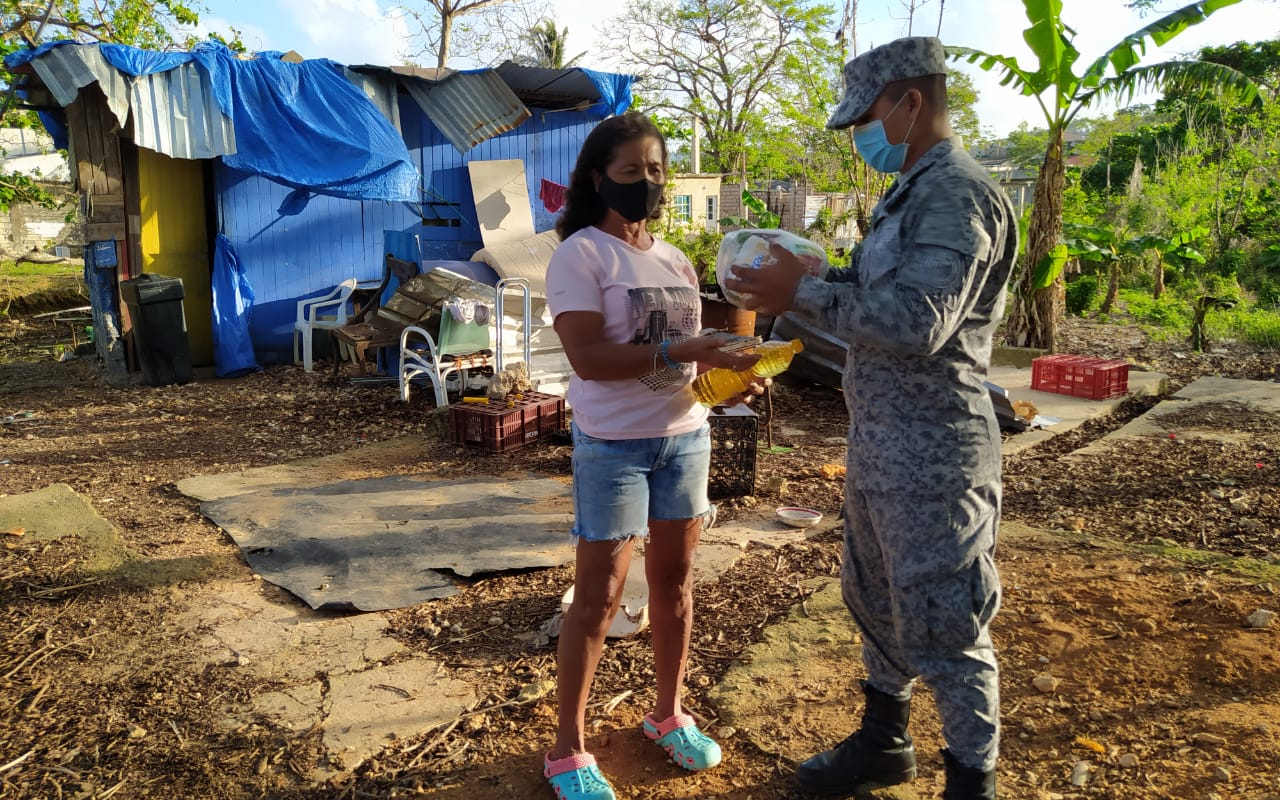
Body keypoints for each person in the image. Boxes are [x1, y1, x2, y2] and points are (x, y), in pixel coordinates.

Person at [724, 36, 1017, 800]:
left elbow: (920, 321)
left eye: (866, 118)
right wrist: (822, 273)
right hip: (884, 442)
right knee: (878, 599)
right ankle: (885, 740)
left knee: (946, 623)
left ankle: (970, 783)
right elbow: (879, 292)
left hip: (937, 453)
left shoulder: (958, 192)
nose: (860, 135)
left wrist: (805, 295)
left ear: (910, 103)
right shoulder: (911, 191)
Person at [542, 112, 764, 800]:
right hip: (613, 447)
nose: (648, 183)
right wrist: (678, 350)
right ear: (598, 177)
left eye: (657, 170)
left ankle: (668, 714)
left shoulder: (671, 259)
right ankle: (568, 751)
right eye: (632, 171)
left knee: (674, 587)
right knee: (599, 600)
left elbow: (692, 367)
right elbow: (587, 357)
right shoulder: (581, 254)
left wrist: (737, 374)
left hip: (685, 438)